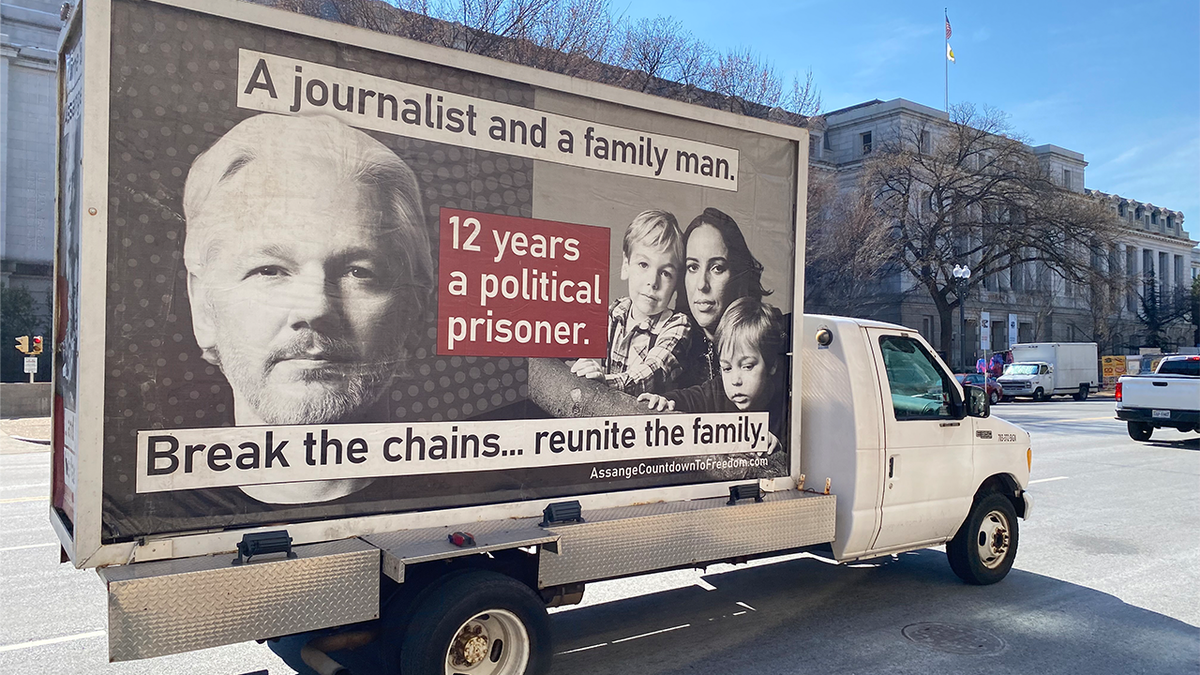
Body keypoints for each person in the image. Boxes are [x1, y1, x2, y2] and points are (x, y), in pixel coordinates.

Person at [182, 113, 433, 502]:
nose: (315, 307)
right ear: (202, 306)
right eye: (269, 270)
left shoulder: (455, 491)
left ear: (415, 311)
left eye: (357, 271)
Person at [570, 210, 690, 394]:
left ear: (676, 284)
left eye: (665, 273)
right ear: (626, 265)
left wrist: (606, 381)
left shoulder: (677, 325)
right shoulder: (617, 310)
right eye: (643, 265)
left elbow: (653, 371)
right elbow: (577, 337)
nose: (653, 282)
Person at [638, 297, 788, 444]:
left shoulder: (785, 408)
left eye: (747, 366)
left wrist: (777, 448)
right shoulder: (716, 391)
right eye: (727, 368)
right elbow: (684, 398)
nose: (735, 380)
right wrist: (662, 400)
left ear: (772, 365)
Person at [676, 208, 771, 387]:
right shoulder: (671, 342)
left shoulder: (767, 337)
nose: (702, 284)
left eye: (717, 268)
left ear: (739, 275)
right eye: (692, 267)